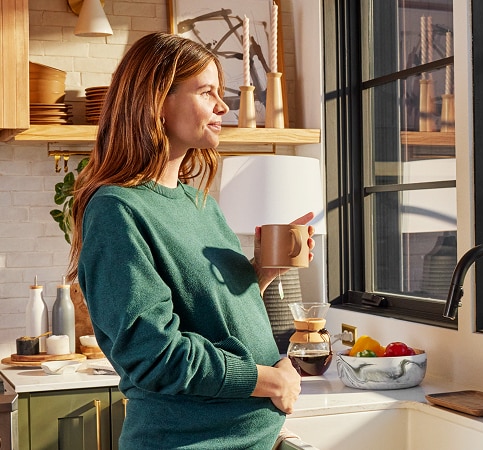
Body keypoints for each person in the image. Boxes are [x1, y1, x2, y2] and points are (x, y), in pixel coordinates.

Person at [66, 32, 310, 449]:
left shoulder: (201, 205)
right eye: (206, 92)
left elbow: (210, 317)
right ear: (158, 101)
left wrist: (260, 276)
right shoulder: (117, 209)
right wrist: (270, 381)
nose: (223, 106)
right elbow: (155, 357)